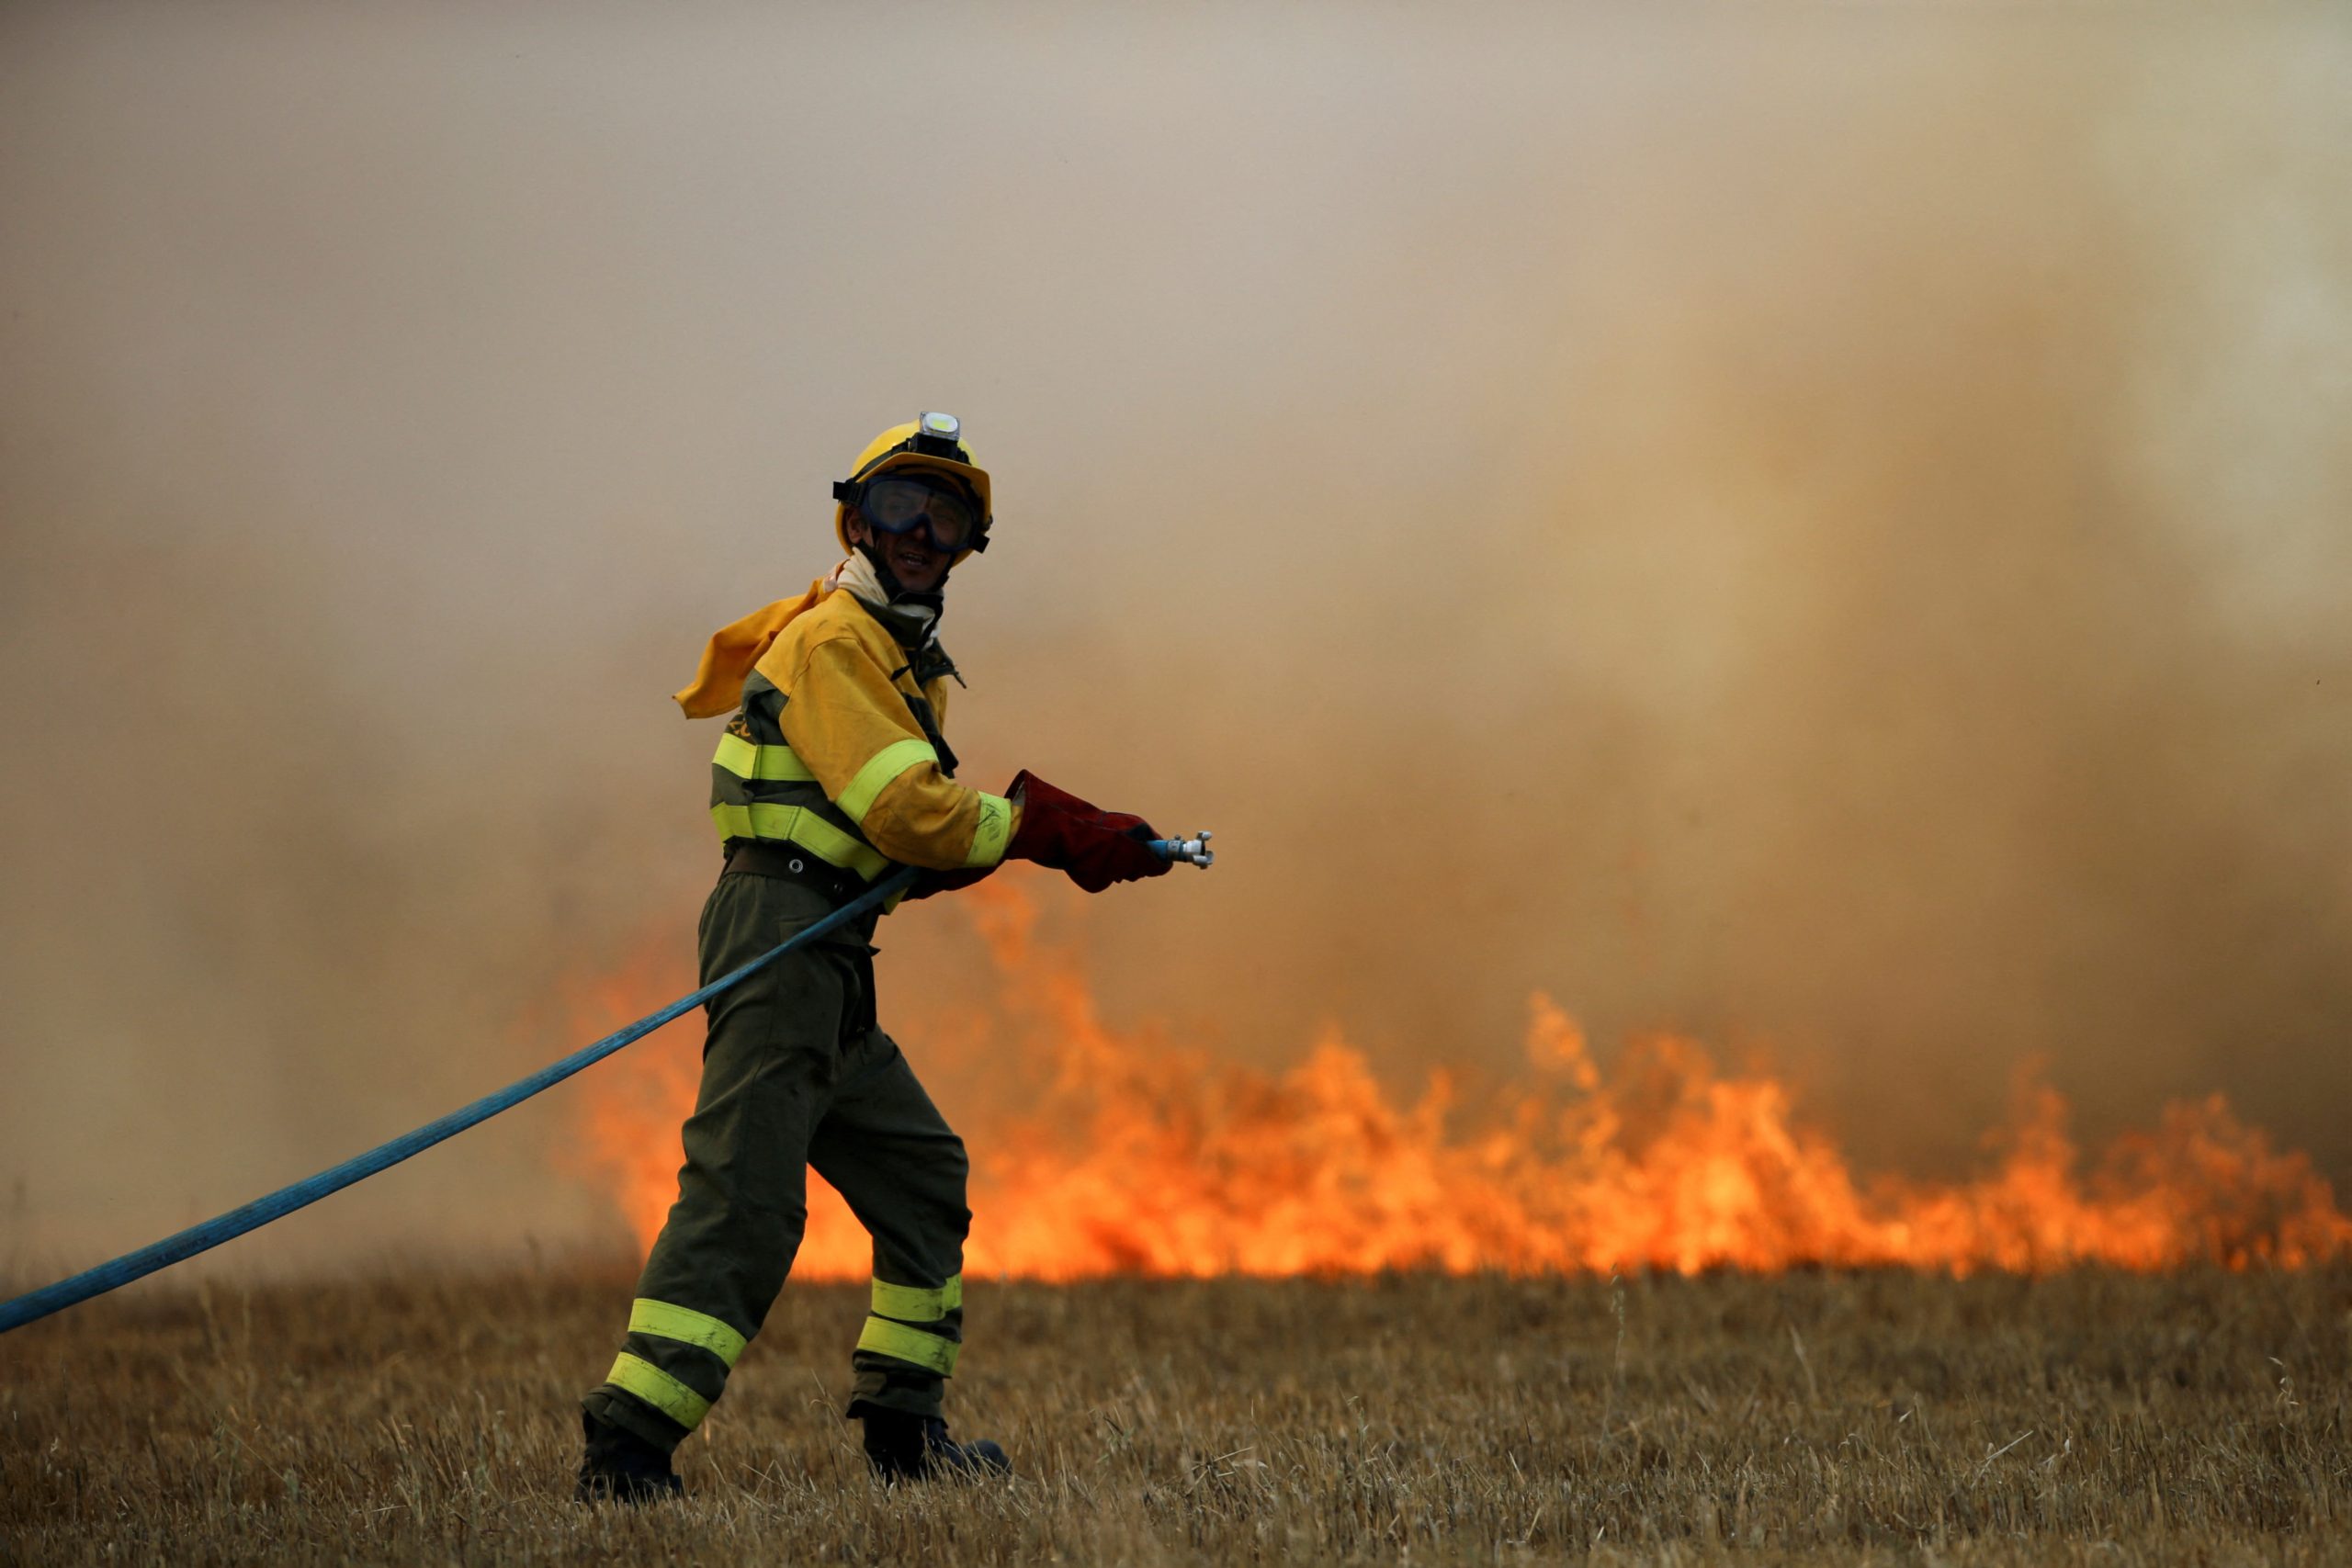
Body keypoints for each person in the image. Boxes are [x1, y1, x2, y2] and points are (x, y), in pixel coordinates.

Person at [574, 412, 1170, 1502]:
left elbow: (907, 847)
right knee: (747, 1200)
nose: (922, 530)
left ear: (967, 547)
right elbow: (907, 811)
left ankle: (904, 1433)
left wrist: (1058, 838)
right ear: (854, 517)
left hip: (834, 949)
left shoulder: (901, 662)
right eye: (903, 504)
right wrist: (1041, 827)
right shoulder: (836, 644)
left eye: (948, 516)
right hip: (779, 940)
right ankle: (626, 1449)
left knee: (922, 1178)